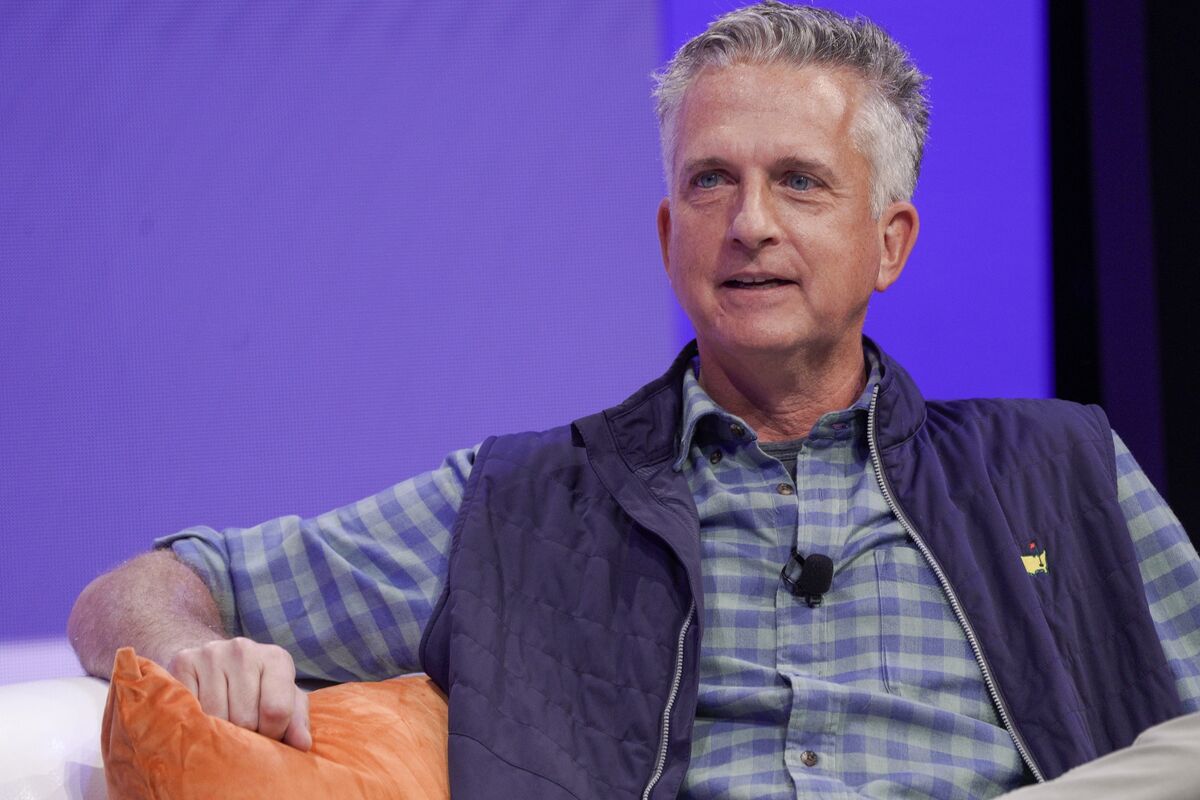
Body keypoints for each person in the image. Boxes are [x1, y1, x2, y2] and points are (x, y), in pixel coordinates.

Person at [68, 3, 1200, 798]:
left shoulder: (1058, 465)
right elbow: (133, 593)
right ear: (670, 238)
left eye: (799, 182)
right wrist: (192, 648)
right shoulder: (518, 504)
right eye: (712, 181)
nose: (748, 223)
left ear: (889, 242)